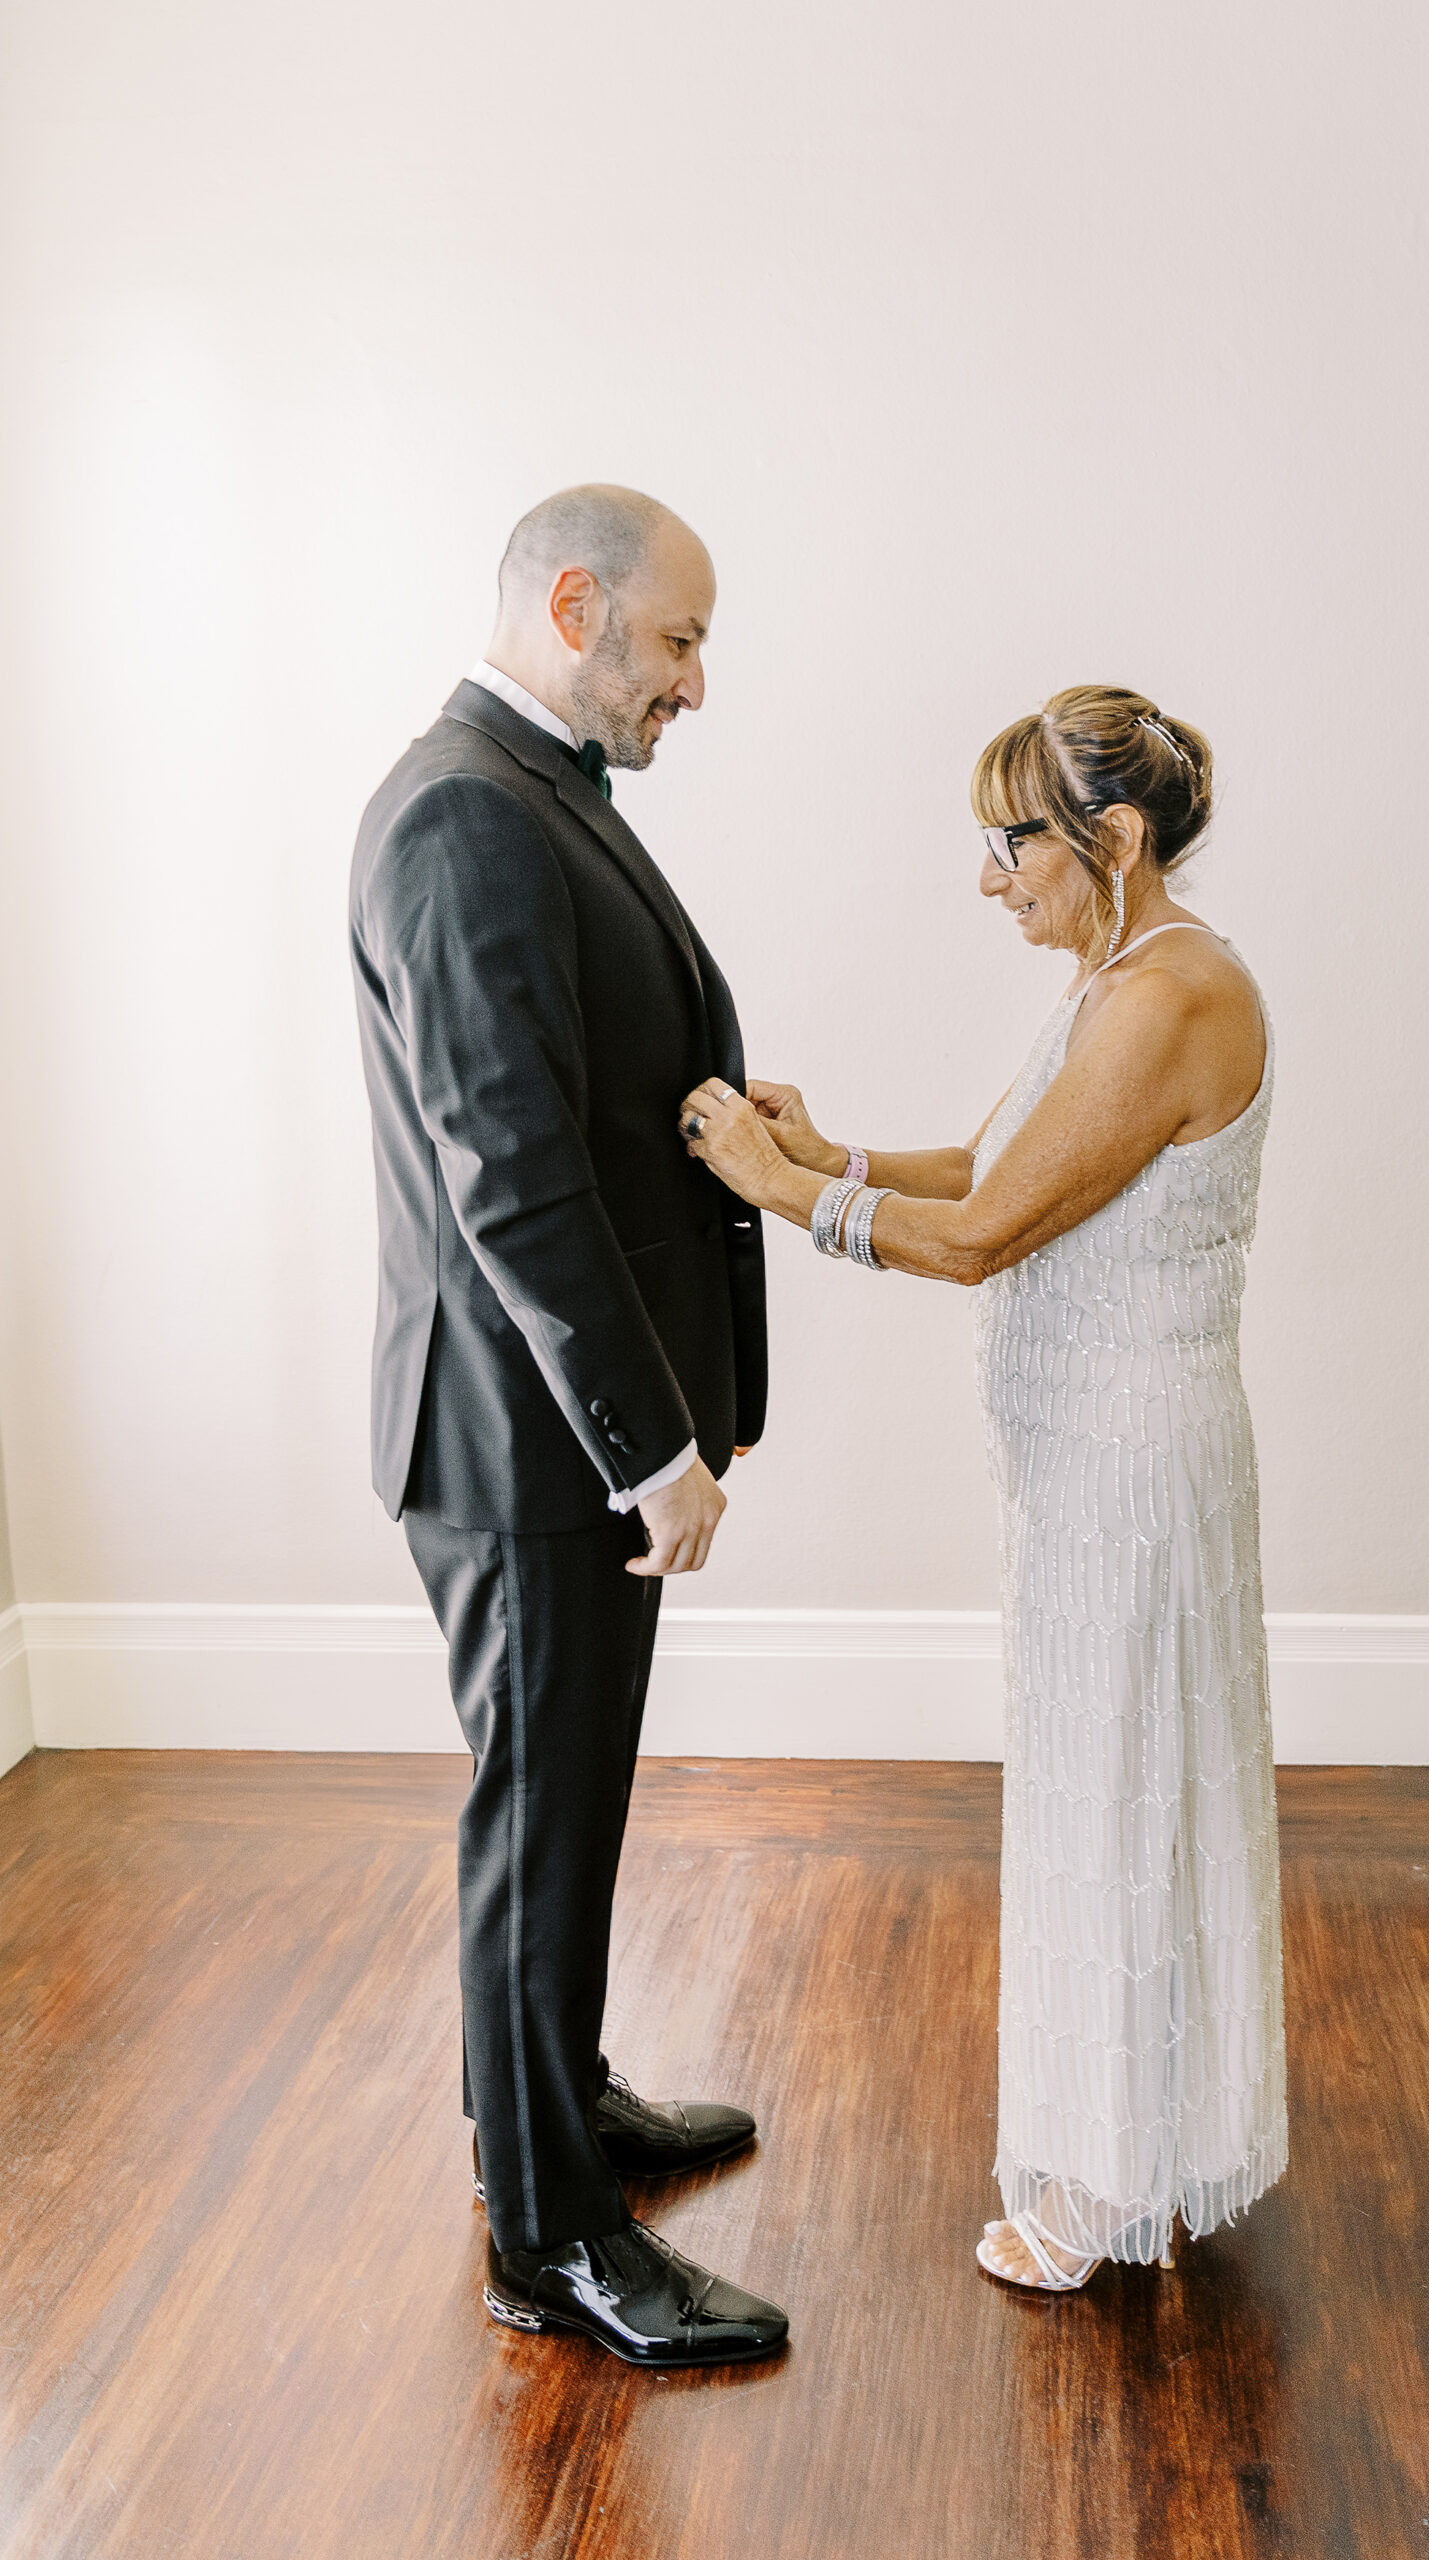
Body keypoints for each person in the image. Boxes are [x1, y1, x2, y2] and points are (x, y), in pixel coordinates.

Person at [679, 684, 1286, 2290]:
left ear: (1115, 838)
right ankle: (1150, 2154)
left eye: (1009, 842)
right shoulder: (1122, 977)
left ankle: (1093, 2196)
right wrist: (842, 1157)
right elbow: (993, 1162)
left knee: (1112, 1798)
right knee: (1120, 1789)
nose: (988, 877)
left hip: (1130, 1473)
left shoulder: (1170, 995)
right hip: (1094, 1457)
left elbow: (987, 1236)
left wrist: (778, 1193)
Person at [349, 485, 788, 2366]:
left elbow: (581, 1101)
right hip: (531, 1443)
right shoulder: (465, 812)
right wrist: (648, 1446)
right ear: (576, 603)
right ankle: (550, 2240)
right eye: (677, 643)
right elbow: (505, 1176)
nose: (694, 683)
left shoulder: (532, 798)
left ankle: (552, 2100)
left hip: (551, 1435)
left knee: (566, 1805)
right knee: (537, 1820)